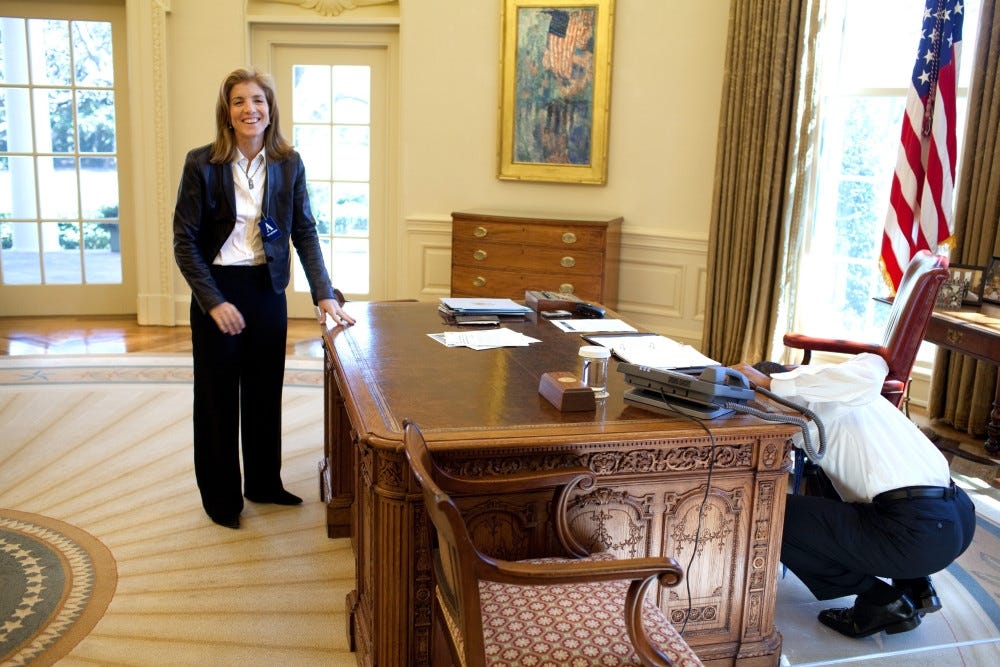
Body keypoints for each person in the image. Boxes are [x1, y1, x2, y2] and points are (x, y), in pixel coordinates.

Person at [173, 67, 356, 529]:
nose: (249, 109)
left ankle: (262, 483)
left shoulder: (288, 163)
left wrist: (323, 293)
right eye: (239, 101)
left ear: (270, 108)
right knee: (216, 398)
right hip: (218, 292)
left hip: (266, 289)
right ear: (227, 112)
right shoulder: (202, 163)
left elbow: (303, 230)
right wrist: (212, 301)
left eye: (258, 100)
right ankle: (221, 498)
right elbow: (184, 241)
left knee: (262, 391)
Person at [733, 353, 975, 638]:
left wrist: (769, 384)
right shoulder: (844, 393)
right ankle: (916, 586)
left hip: (916, 534)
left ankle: (881, 601)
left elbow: (874, 366)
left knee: (771, 516)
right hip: (956, 519)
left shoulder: (837, 393)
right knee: (830, 491)